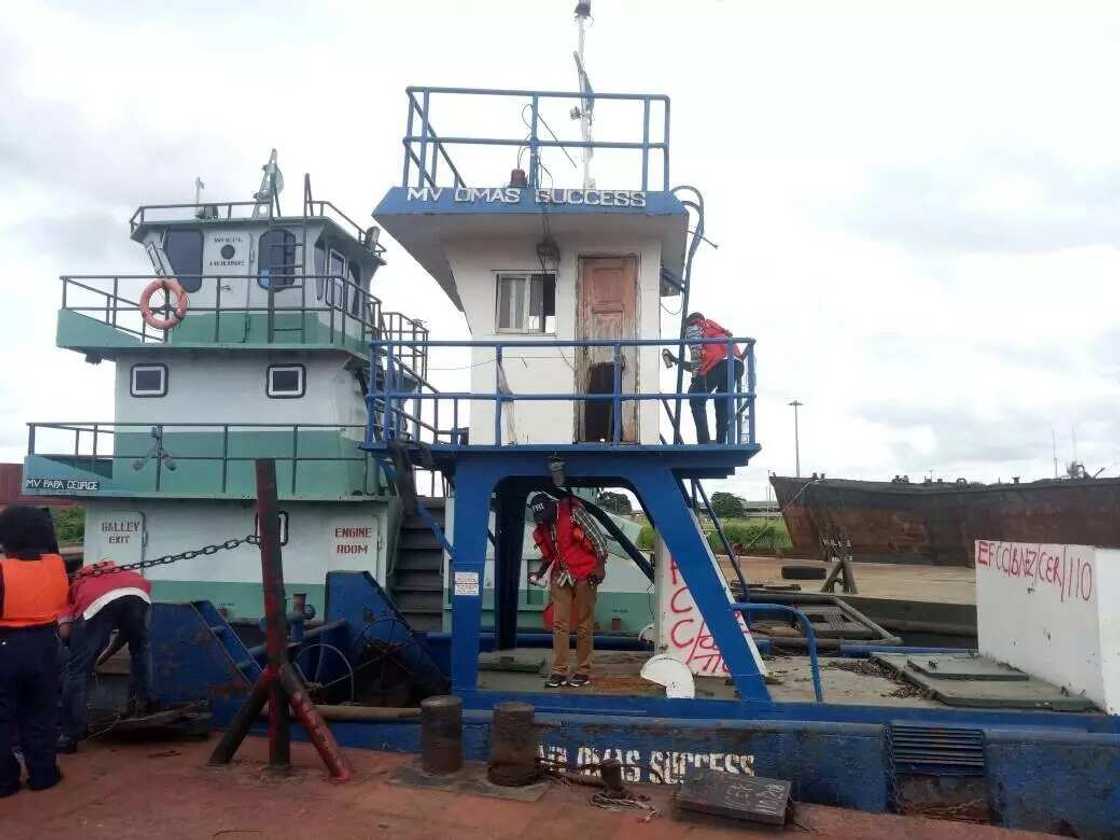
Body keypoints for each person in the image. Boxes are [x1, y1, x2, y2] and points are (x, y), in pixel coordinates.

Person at [0, 506, 69, 797]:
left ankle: (4, 781)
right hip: (44, 645)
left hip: (6, 646)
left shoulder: (3, 568)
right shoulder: (56, 564)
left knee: (2, 717)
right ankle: (43, 774)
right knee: (41, 713)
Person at [58, 560, 154, 753]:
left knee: (76, 671)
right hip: (138, 593)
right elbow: (125, 635)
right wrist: (103, 655)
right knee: (140, 650)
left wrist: (82, 655)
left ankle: (70, 735)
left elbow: (66, 632)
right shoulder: (123, 573)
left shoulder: (74, 585)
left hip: (96, 602)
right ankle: (144, 703)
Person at [527, 492, 608, 688]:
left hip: (585, 573)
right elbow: (549, 555)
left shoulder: (574, 513)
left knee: (584, 624)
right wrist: (539, 573)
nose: (544, 522)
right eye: (540, 520)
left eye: (546, 517)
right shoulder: (543, 524)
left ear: (552, 507)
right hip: (561, 575)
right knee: (559, 624)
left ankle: (583, 671)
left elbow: (600, 542)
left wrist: (599, 568)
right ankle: (559, 671)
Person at [663, 312, 746, 444]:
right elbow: (704, 362)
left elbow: (697, 358)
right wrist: (676, 360)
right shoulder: (713, 329)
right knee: (722, 399)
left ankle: (704, 441)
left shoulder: (693, 328)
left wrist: (697, 379)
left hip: (720, 363)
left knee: (696, 398)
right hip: (736, 363)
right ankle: (720, 441)